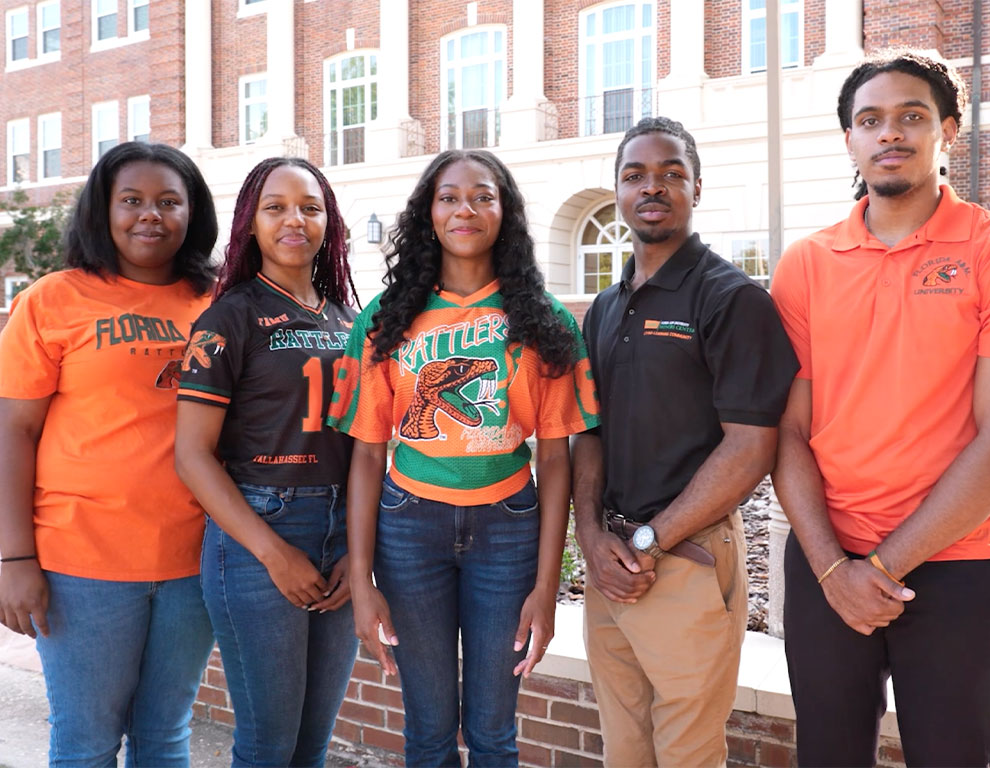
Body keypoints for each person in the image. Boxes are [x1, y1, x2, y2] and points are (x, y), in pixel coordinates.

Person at [772, 48, 990, 767]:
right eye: (870, 120)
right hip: (826, 562)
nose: (890, 133)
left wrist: (878, 569)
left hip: (955, 562)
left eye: (911, 116)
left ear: (948, 129)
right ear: (850, 138)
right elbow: (788, 429)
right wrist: (831, 570)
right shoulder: (807, 263)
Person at [327, 148, 599, 767]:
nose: (465, 209)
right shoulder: (386, 318)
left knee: (494, 734)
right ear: (428, 214)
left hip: (507, 531)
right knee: (426, 734)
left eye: (482, 195)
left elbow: (555, 459)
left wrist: (547, 584)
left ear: (505, 212)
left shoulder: (543, 320)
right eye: (448, 197)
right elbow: (367, 456)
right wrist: (364, 582)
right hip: (409, 529)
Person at [571, 116, 798, 768]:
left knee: (688, 758)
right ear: (616, 191)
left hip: (684, 560)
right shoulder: (608, 308)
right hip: (611, 565)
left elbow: (750, 448)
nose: (654, 187)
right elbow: (588, 431)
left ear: (697, 187)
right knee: (625, 754)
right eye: (635, 174)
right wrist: (591, 537)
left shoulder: (730, 299)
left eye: (672, 173)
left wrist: (649, 541)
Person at [0, 141, 218, 766]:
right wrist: (15, 556)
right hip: (80, 563)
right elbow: (14, 432)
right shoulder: (53, 299)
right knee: (87, 740)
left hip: (193, 559)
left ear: (190, 213)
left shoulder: (217, 302)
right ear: (104, 209)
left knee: (166, 733)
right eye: (132, 201)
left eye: (168, 202)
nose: (150, 215)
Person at [174, 157, 361, 768]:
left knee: (311, 745)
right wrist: (273, 553)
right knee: (267, 743)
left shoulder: (344, 314)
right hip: (261, 529)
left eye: (310, 207)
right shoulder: (230, 315)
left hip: (340, 532)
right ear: (249, 224)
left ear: (328, 221)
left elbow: (365, 444)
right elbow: (192, 455)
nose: (294, 220)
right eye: (275, 207)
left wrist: (358, 553)